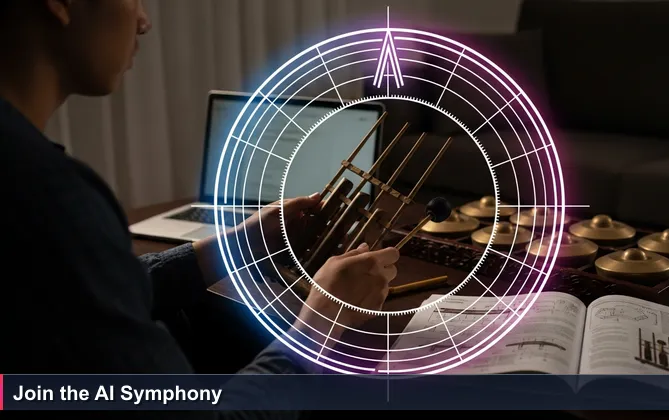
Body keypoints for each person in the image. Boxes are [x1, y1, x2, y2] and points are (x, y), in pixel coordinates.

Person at [0, 0, 399, 418]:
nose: (143, 21)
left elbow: (87, 294)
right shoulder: (49, 198)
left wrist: (242, 244)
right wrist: (320, 323)